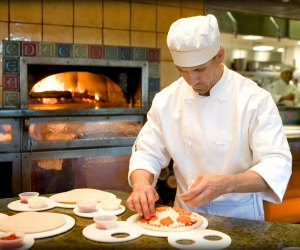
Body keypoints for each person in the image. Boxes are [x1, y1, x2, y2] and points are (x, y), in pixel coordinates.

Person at [126, 14, 292, 221]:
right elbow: (147, 152)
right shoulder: (167, 99)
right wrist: (141, 183)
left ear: (219, 55)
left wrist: (228, 183)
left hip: (240, 216)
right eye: (183, 71)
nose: (192, 80)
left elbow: (276, 163)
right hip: (186, 214)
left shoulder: (254, 99)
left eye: (199, 70)